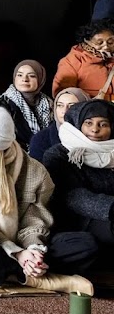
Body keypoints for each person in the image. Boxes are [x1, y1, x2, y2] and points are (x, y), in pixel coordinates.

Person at [0, 106, 97, 295]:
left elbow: (35, 219)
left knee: (85, 244)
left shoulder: (36, 171)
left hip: (19, 243)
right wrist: (17, 253)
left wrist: (34, 250)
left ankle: (1, 270)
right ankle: (24, 276)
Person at [42, 100, 114, 256]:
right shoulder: (58, 154)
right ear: (78, 123)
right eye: (88, 123)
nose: (95, 130)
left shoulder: (111, 152)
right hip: (75, 219)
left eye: (103, 124)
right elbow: (70, 196)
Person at [0, 60, 53, 151]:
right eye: (20, 75)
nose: (25, 79)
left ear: (40, 79)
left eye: (32, 76)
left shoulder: (49, 104)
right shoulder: (3, 104)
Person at [52, 20, 114, 101]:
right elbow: (64, 94)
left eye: (110, 42)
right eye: (99, 42)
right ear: (87, 41)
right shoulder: (72, 60)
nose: (106, 46)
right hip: (90, 110)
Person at [28, 87, 89, 161]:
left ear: (84, 109)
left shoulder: (95, 134)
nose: (64, 111)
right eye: (60, 105)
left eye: (72, 106)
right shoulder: (40, 139)